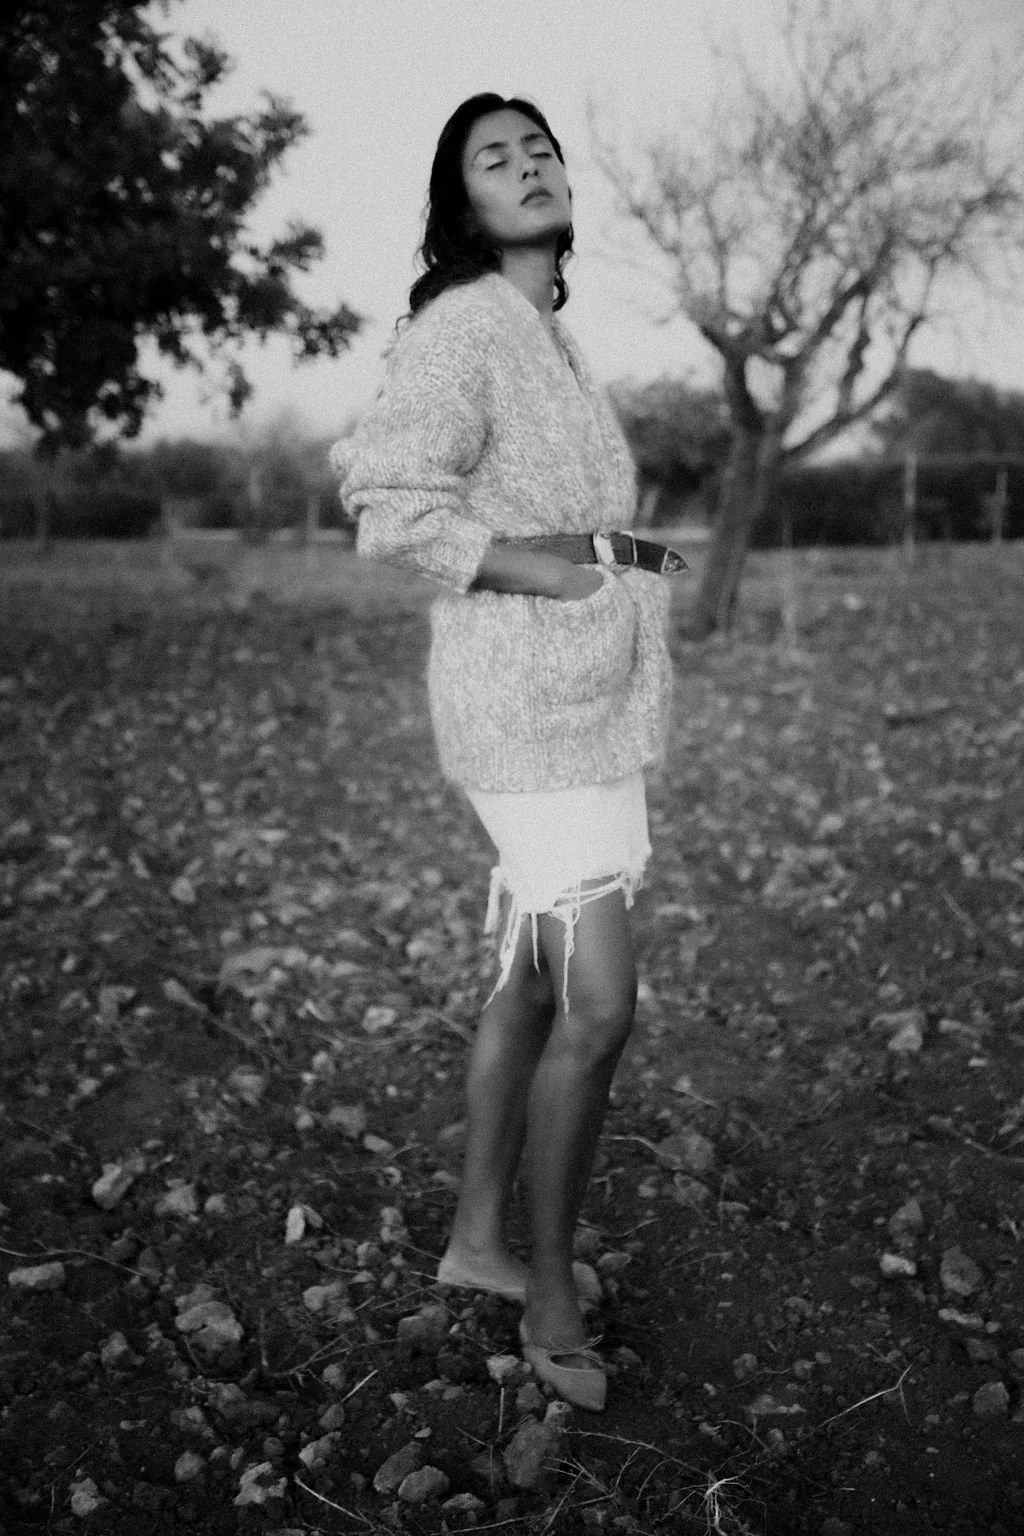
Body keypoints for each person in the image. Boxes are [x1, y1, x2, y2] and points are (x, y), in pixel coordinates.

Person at [333, 93, 682, 1412]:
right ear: (461, 202)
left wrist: (633, 563)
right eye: (496, 157)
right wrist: (558, 579)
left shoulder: (550, 332)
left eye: (539, 148)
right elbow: (388, 506)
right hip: (526, 721)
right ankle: (545, 1288)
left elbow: (569, 512)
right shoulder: (466, 322)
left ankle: (477, 1240)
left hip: (586, 707)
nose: (528, 165)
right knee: (601, 1006)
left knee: (533, 986)